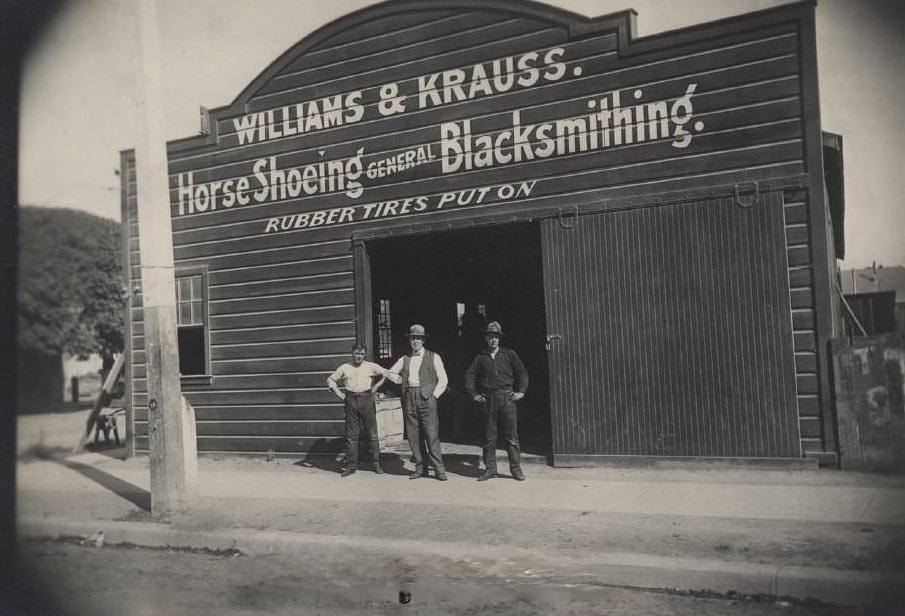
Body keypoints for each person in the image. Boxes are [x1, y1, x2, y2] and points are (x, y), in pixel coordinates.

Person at [464, 321, 529, 481]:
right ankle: (490, 469)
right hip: (488, 399)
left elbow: (522, 373)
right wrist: (474, 394)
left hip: (506, 398)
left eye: (496, 337)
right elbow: (470, 375)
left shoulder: (509, 354)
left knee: (511, 436)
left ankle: (515, 470)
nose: (493, 340)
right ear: (486, 338)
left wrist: (520, 391)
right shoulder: (481, 357)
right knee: (489, 437)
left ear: (500, 339)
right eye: (490, 337)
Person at [386, 324, 449, 481]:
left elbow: (443, 379)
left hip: (428, 397)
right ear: (410, 341)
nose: (415, 341)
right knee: (414, 435)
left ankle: (439, 469)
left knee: (431, 434)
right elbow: (390, 373)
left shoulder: (434, 356)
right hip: (410, 397)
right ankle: (421, 468)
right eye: (413, 338)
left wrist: (434, 395)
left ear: (423, 340)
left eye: (418, 338)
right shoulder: (404, 359)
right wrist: (402, 381)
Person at [327, 343, 387, 477]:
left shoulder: (370, 366)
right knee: (352, 435)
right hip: (351, 400)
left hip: (367, 399)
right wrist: (340, 394)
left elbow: (386, 373)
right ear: (352, 353)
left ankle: (376, 463)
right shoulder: (345, 367)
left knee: (372, 433)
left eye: (361, 354)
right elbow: (331, 379)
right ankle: (351, 465)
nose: (359, 356)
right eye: (357, 353)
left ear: (364, 354)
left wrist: (376, 386)